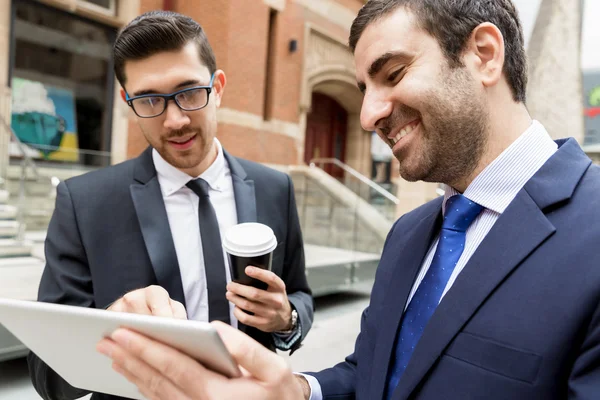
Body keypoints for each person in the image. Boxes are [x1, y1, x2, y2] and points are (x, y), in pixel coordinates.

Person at [98, 0, 600, 399]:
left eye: (394, 74)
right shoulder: (408, 235)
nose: (368, 115)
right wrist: (297, 392)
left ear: (484, 54)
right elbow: (373, 373)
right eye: (363, 87)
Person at [28, 10, 314, 400]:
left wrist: (287, 318)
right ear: (128, 101)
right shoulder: (84, 203)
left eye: (190, 92)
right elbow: (46, 375)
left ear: (219, 87)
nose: (175, 120)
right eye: (149, 100)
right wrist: (106, 327)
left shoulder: (274, 187)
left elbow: (299, 294)